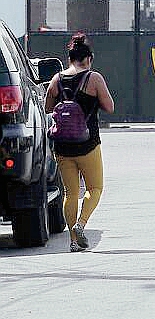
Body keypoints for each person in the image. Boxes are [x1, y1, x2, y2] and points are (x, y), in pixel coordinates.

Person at [43, 33, 115, 252]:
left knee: (70, 193)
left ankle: (74, 241)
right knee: (95, 188)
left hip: (63, 147)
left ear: (69, 58)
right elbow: (109, 106)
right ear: (89, 58)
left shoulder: (57, 79)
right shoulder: (94, 79)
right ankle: (81, 224)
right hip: (88, 144)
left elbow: (47, 107)